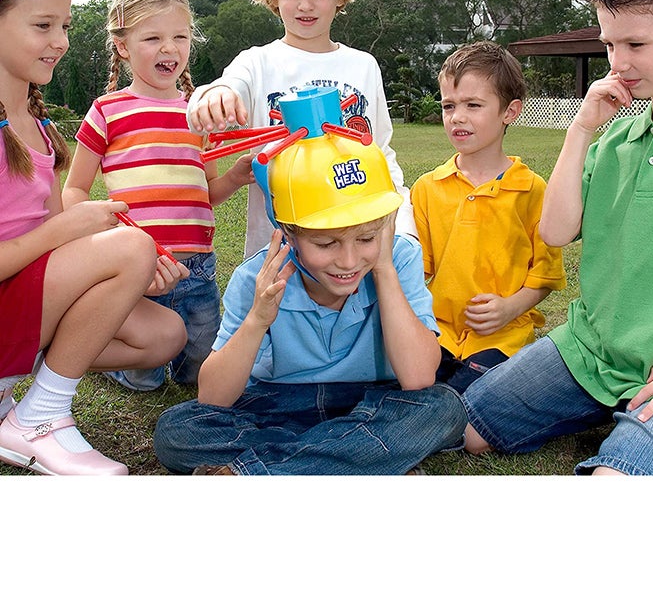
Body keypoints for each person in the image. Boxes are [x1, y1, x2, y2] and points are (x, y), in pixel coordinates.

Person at [153, 87, 466, 475]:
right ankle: (358, 459)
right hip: (278, 405)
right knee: (177, 430)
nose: (349, 260)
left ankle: (262, 473)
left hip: (372, 401)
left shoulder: (397, 259)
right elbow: (213, 397)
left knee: (443, 407)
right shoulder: (255, 276)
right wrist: (257, 320)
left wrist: (384, 271)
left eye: (367, 238)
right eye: (325, 242)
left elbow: (419, 378)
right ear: (287, 231)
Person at [462, 0, 653, 475]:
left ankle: (630, 431)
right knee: (474, 431)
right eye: (609, 45)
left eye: (635, 44)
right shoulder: (616, 136)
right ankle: (613, 409)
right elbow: (555, 231)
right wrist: (581, 128)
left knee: (615, 476)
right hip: (590, 348)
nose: (617, 65)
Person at [0, 0, 187, 475]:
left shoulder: (39, 128)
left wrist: (128, 276)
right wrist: (72, 231)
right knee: (131, 243)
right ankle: (39, 417)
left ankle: (10, 396)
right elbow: (48, 238)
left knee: (164, 334)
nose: (60, 41)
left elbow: (53, 247)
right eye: (42, 24)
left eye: (64, 24)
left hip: (18, 304)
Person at [62, 0, 253, 391]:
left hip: (198, 268)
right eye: (153, 38)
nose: (170, 48)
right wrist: (111, 233)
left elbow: (208, 193)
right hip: (139, 270)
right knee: (143, 381)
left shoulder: (197, 114)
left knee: (197, 373)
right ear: (123, 46)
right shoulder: (108, 111)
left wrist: (237, 176)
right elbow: (74, 190)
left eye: (179, 37)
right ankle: (109, 361)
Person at [186, 0, 416, 257]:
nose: (305, 5)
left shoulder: (363, 65)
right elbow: (212, 100)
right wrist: (214, 96)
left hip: (354, 249)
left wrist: (400, 220)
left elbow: (380, 149)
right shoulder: (256, 62)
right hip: (278, 249)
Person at [410, 41, 566, 393]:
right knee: (415, 388)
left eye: (473, 105)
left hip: (503, 336)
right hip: (441, 331)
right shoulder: (427, 188)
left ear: (509, 112)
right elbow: (418, 271)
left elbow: (545, 275)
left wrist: (510, 307)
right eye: (449, 105)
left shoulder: (532, 190)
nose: (457, 117)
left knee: (473, 404)